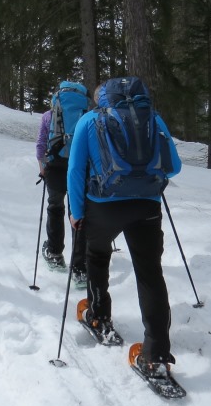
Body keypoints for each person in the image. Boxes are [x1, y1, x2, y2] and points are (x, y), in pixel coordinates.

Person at [66, 77, 181, 376]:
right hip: (147, 205)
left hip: (103, 205)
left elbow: (75, 170)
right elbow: (174, 167)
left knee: (97, 255)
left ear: (102, 98)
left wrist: (76, 212)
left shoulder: (89, 120)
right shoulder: (153, 118)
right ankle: (156, 354)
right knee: (150, 273)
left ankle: (99, 316)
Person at [36, 81, 90, 286]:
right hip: (80, 169)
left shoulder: (48, 116)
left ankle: (55, 253)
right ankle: (80, 268)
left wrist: (43, 167)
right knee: (78, 213)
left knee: (55, 207)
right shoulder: (86, 116)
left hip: (55, 168)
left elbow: (41, 145)